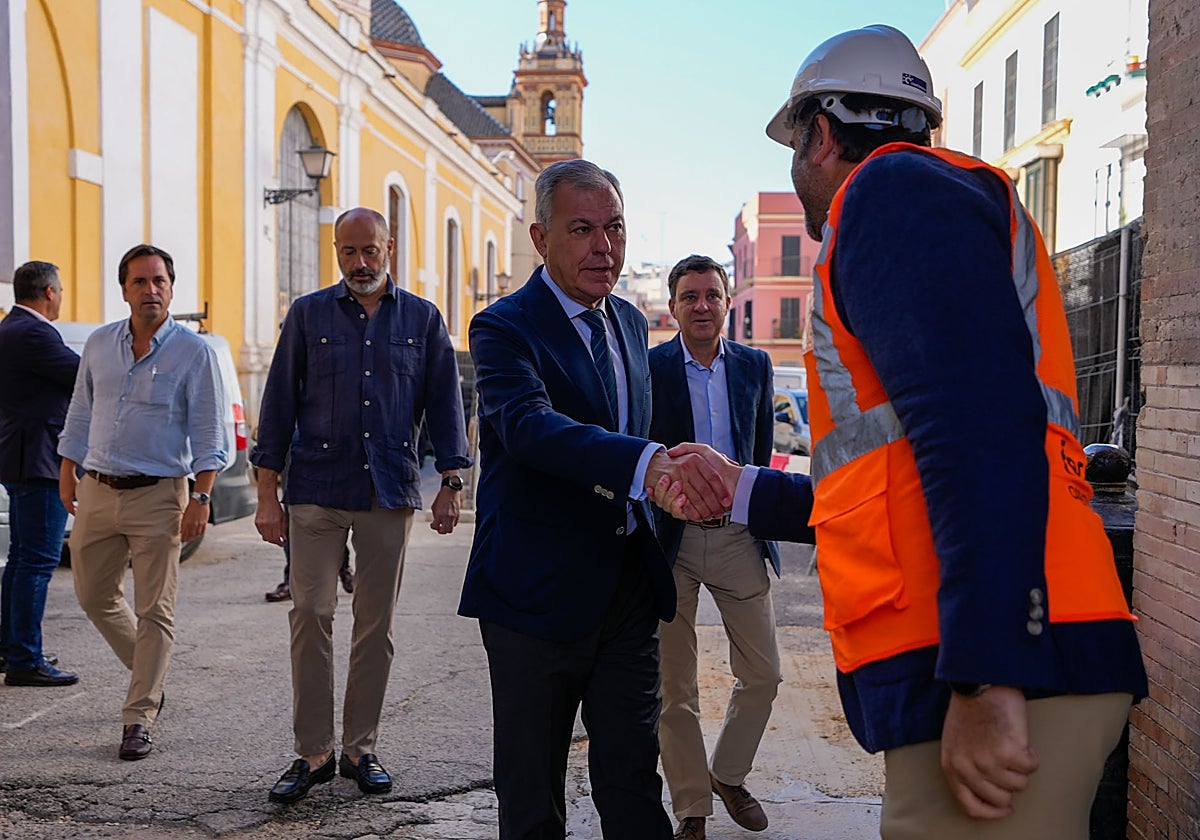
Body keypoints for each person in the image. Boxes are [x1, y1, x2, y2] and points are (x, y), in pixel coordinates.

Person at [654, 24, 1148, 840]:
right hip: (1031, 647)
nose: (796, 174)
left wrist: (987, 677)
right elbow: (894, 481)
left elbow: (977, 427)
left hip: (1002, 665)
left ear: (820, 134)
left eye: (792, 147)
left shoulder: (890, 195)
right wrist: (738, 487)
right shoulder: (939, 198)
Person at [459, 159, 731, 840]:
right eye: (581, 229)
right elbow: (527, 428)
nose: (603, 246)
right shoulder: (502, 328)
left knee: (634, 782)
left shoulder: (633, 325)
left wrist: (680, 483)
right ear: (540, 237)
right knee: (532, 796)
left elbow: (642, 430)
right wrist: (646, 463)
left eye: (614, 227)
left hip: (626, 597)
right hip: (533, 597)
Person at [252, 207, 470, 805]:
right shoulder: (308, 314)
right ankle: (313, 753)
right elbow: (278, 404)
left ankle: (359, 748)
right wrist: (266, 494)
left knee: (375, 626)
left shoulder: (422, 319)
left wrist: (451, 482)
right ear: (337, 253)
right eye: (348, 252)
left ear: (389, 248)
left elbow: (445, 405)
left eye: (369, 250)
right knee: (310, 614)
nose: (359, 263)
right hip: (315, 489)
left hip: (388, 490)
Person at [58, 244, 229, 760]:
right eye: (140, 282)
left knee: (157, 609)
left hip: (161, 496)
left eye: (159, 281)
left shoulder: (194, 352)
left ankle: (138, 716)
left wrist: (201, 496)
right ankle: (150, 678)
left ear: (172, 288)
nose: (150, 290)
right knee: (93, 596)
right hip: (98, 489)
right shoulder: (99, 344)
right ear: (125, 289)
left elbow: (208, 432)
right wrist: (67, 470)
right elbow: (81, 411)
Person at [649, 255, 780, 840]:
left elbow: (762, 449)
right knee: (674, 687)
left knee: (764, 673)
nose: (701, 306)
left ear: (728, 302)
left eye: (711, 295)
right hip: (670, 542)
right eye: (690, 297)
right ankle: (691, 808)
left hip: (735, 535)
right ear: (673, 306)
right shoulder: (648, 367)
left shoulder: (755, 364)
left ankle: (728, 774)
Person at [0, 261, 80, 687]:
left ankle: (11, 647)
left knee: (21, 560)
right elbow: (82, 374)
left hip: (21, 455)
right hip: (39, 459)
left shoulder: (11, 328)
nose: (61, 297)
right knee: (36, 561)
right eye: (61, 290)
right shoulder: (32, 332)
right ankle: (25, 660)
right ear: (49, 292)